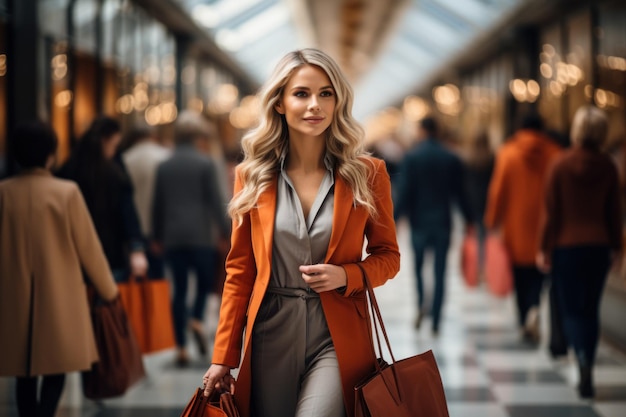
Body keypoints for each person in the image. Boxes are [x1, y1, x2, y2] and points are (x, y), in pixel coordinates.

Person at [201, 48, 400, 417]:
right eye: (301, 93)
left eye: (326, 93)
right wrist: (223, 357)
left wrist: (347, 275)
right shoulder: (252, 176)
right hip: (269, 332)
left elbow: (389, 257)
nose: (315, 105)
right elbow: (239, 272)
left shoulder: (368, 173)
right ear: (279, 102)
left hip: (337, 334)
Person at [0, 121, 118, 417]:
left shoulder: (4, 193)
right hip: (60, 294)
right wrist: (108, 289)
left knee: (22, 371)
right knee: (57, 366)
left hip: (12, 295)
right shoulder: (66, 193)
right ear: (50, 154)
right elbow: (88, 248)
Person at [537, 105, 622, 398]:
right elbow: (615, 212)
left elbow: (551, 212)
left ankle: (581, 359)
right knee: (590, 308)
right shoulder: (609, 166)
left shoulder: (560, 164)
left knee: (571, 308)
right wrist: (617, 248)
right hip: (598, 247)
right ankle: (588, 358)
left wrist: (543, 247)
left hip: (566, 246)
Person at [152, 111, 231, 366]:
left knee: (179, 288)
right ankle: (197, 318)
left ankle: (181, 347)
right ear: (197, 136)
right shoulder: (205, 163)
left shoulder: (164, 166)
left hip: (173, 237)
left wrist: (156, 235)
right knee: (205, 283)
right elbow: (215, 201)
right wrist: (226, 231)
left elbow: (158, 204)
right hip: (201, 236)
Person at [484, 113, 561, 344]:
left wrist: (492, 220)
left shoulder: (508, 153)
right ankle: (535, 307)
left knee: (520, 275)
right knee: (539, 273)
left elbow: (498, 191)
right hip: (545, 226)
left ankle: (523, 318)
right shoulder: (555, 153)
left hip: (515, 227)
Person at [394, 116, 474, 335]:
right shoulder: (450, 158)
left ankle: (422, 305)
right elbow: (460, 194)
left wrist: (395, 220)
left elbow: (405, 193)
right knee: (440, 271)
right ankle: (436, 319)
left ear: (421, 131)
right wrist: (469, 220)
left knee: (419, 268)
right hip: (442, 222)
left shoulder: (411, 157)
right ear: (437, 131)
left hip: (418, 222)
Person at [57, 116, 148, 282]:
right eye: (114, 145)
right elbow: (127, 211)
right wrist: (136, 247)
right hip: (109, 252)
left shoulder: (71, 168)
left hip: (74, 252)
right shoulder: (114, 173)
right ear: (105, 141)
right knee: (108, 302)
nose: (114, 151)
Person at [122, 126, 172, 279]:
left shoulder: (125, 158)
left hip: (132, 223)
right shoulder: (165, 156)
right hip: (160, 225)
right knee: (160, 276)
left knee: (136, 275)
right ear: (153, 136)